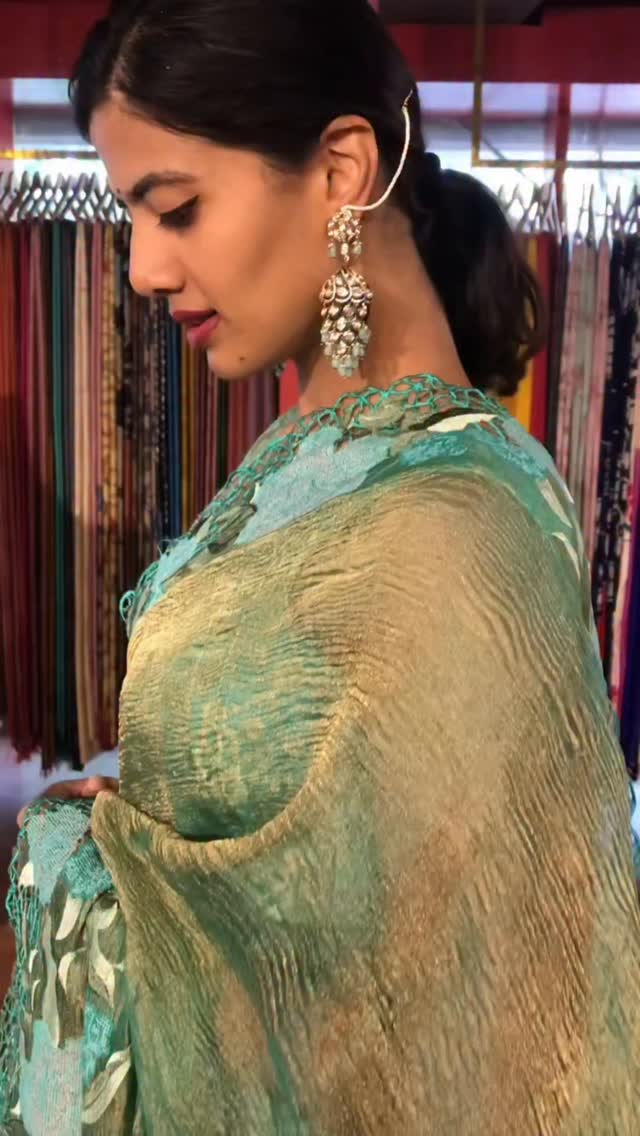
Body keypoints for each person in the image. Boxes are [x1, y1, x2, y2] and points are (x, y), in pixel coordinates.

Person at [1, 0, 640, 1131]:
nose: (143, 268)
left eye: (177, 208)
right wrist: (128, 840)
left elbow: (475, 1003)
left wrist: (110, 866)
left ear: (342, 170)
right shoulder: (313, 450)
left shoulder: (458, 525)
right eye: (131, 216)